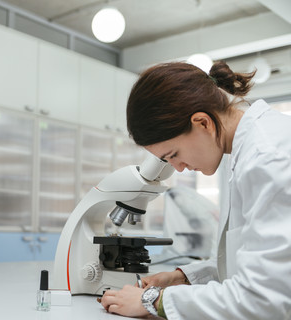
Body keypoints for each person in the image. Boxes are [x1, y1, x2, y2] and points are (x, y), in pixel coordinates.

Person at [100, 61, 291, 319]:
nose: (178, 168)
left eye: (174, 154)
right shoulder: (249, 151)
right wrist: (183, 278)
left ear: (203, 123)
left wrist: (154, 301)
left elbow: (264, 298)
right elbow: (254, 264)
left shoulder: (269, 159)